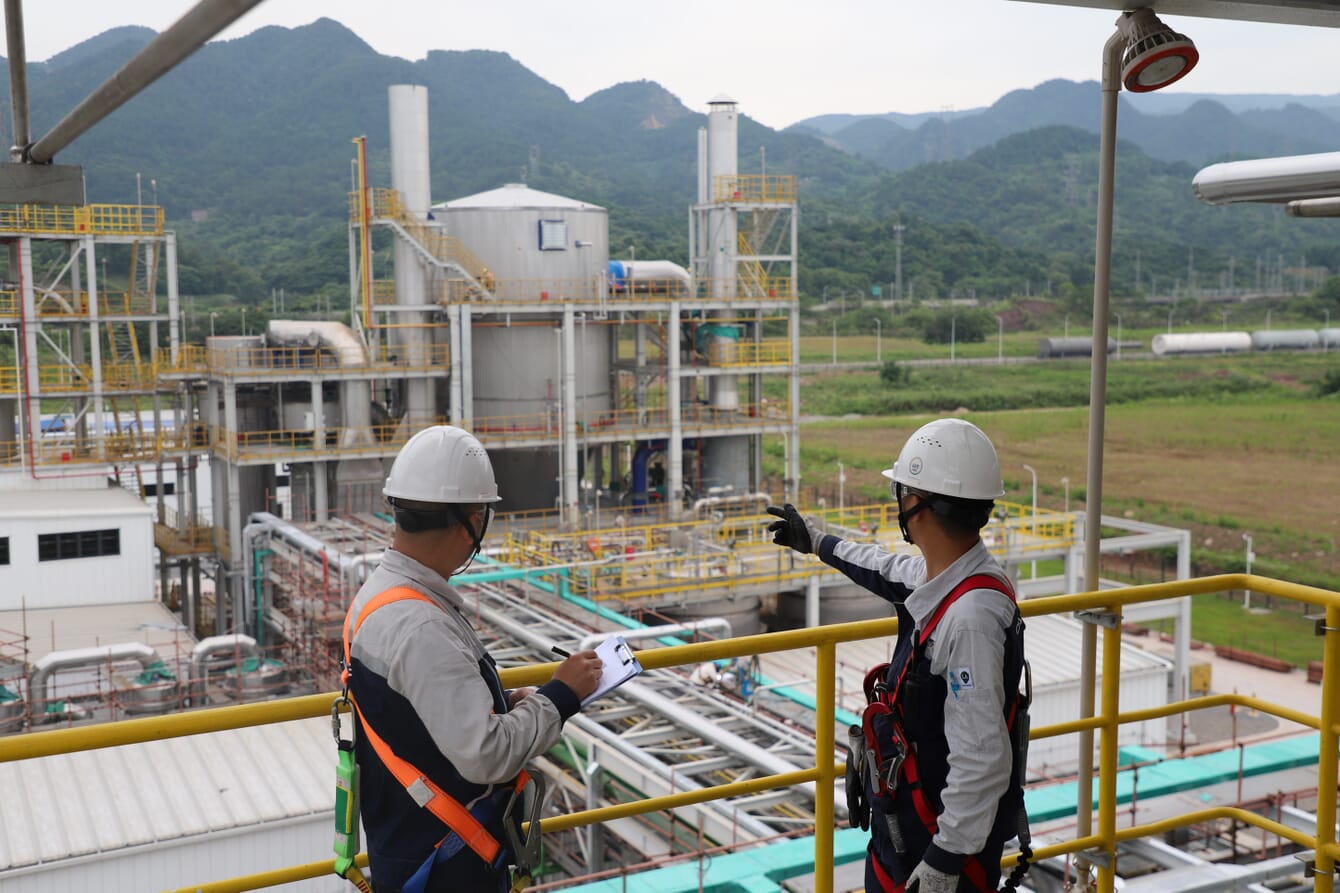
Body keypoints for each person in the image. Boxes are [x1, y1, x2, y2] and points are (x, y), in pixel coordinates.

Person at [766, 418, 1028, 893]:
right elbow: (882, 567)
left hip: (938, 855)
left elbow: (983, 757)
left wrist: (945, 862)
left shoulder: (970, 617)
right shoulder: (942, 579)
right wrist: (817, 543)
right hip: (907, 836)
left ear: (919, 507)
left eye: (903, 494)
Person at [342, 425, 604, 893]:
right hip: (445, 866)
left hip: (407, 845)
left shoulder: (378, 595)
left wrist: (503, 702)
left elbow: (412, 707)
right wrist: (561, 696)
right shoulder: (421, 626)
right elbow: (488, 756)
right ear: (471, 519)